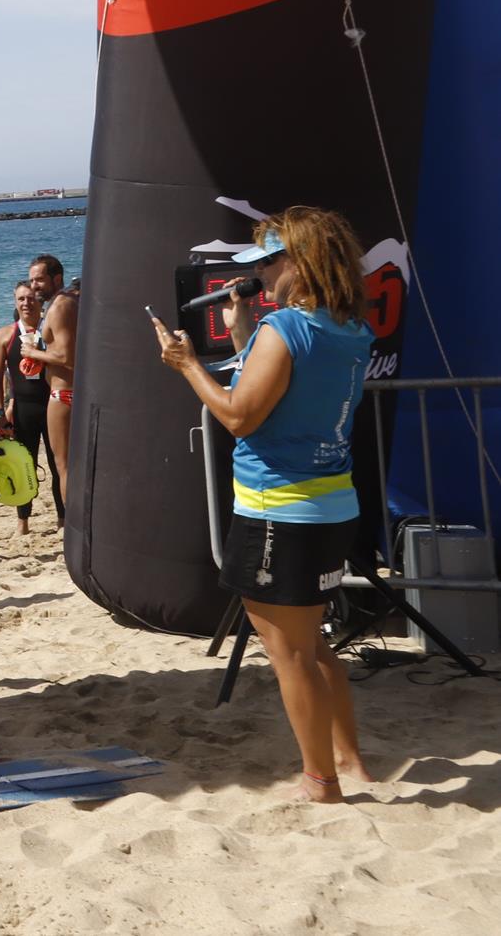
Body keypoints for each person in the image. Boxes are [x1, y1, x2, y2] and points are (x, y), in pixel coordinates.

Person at [152, 207, 376, 803]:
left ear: (301, 262)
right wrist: (246, 329)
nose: (263, 275)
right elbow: (291, 388)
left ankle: (321, 782)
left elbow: (238, 414)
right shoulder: (348, 327)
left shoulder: (290, 330)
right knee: (315, 642)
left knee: (290, 651)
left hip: (279, 509)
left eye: (270, 262)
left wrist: (187, 364)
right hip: (330, 503)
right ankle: (351, 762)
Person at [0, 279, 61, 533]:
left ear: (40, 301)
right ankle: (23, 521)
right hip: (23, 410)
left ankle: (63, 519)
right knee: (23, 465)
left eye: (31, 298)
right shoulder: (5, 335)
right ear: (15, 302)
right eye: (21, 298)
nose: (26, 303)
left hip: (53, 405)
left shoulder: (51, 332)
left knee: (57, 464)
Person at [26, 254, 78, 504]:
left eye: (39, 280)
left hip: (65, 395)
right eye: (31, 280)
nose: (34, 285)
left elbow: (67, 357)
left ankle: (73, 529)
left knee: (64, 465)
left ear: (57, 278)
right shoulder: (70, 299)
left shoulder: (60, 306)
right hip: (78, 391)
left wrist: (33, 352)